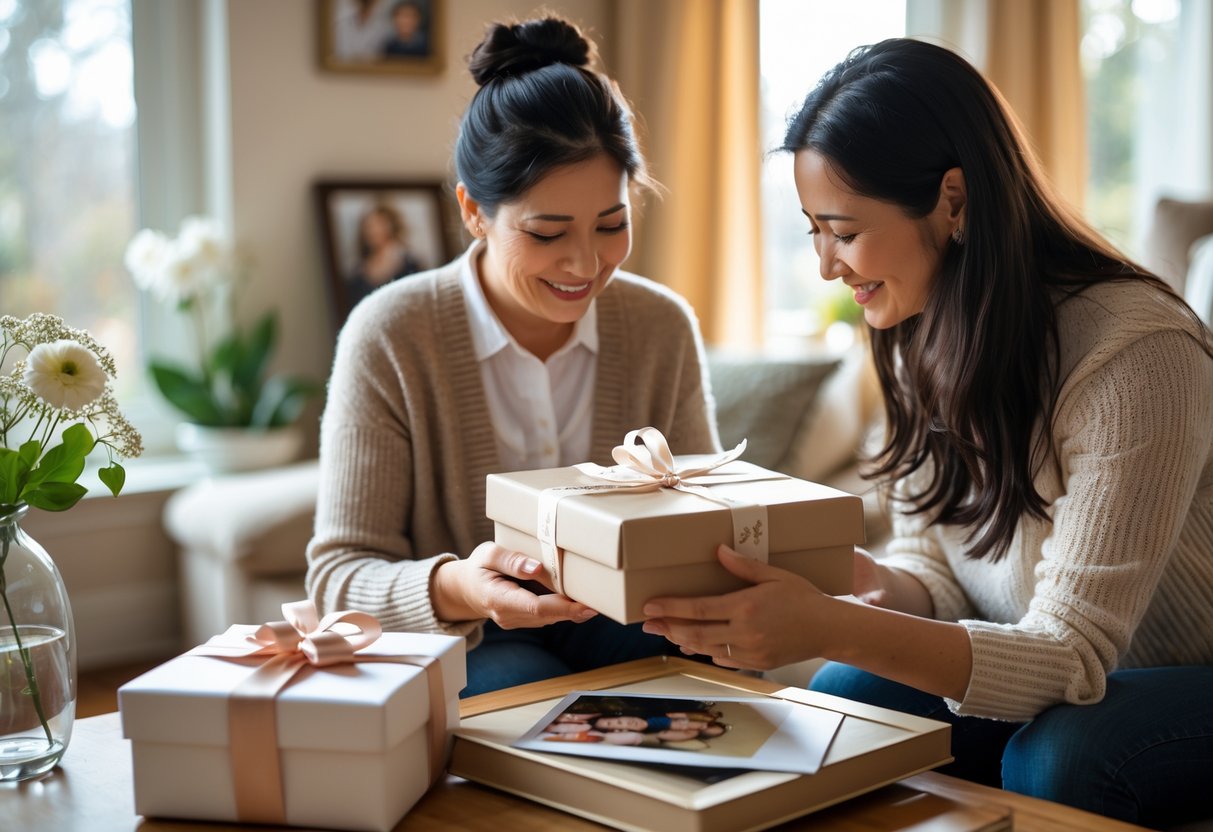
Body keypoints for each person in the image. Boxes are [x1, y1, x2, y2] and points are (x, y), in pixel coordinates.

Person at [641, 38, 1213, 828]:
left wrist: (832, 622)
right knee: (844, 695)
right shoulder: (913, 327)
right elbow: (937, 568)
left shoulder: (1135, 351)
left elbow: (1071, 653)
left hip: (1179, 668)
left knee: (1059, 753)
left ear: (952, 200)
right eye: (811, 229)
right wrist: (858, 582)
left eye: (841, 230)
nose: (824, 266)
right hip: (1053, 661)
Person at [306, 15, 720, 698]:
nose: (585, 263)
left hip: (621, 617)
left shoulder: (659, 326)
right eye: (547, 232)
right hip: (468, 632)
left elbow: (702, 526)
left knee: (713, 680)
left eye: (611, 225)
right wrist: (461, 587)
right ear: (473, 210)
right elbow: (337, 580)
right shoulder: (390, 334)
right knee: (527, 702)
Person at [346, 203, 423, 307]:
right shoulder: (358, 272)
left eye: (379, 225)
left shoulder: (408, 262)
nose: (374, 231)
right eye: (369, 226)